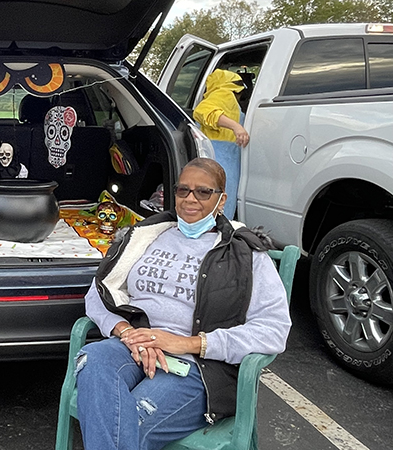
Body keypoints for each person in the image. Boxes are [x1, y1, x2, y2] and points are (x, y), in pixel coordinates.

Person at [75, 158, 291, 450]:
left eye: (203, 192)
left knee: (128, 423)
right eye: (182, 190)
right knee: (94, 359)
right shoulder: (147, 235)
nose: (190, 199)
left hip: (196, 366)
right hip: (134, 345)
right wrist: (126, 331)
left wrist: (188, 343)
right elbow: (99, 291)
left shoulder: (244, 253)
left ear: (221, 199)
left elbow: (274, 329)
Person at [193, 69, 249, 220]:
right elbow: (203, 111)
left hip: (221, 161)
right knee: (218, 208)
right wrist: (236, 127)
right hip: (220, 160)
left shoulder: (221, 95)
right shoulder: (224, 93)